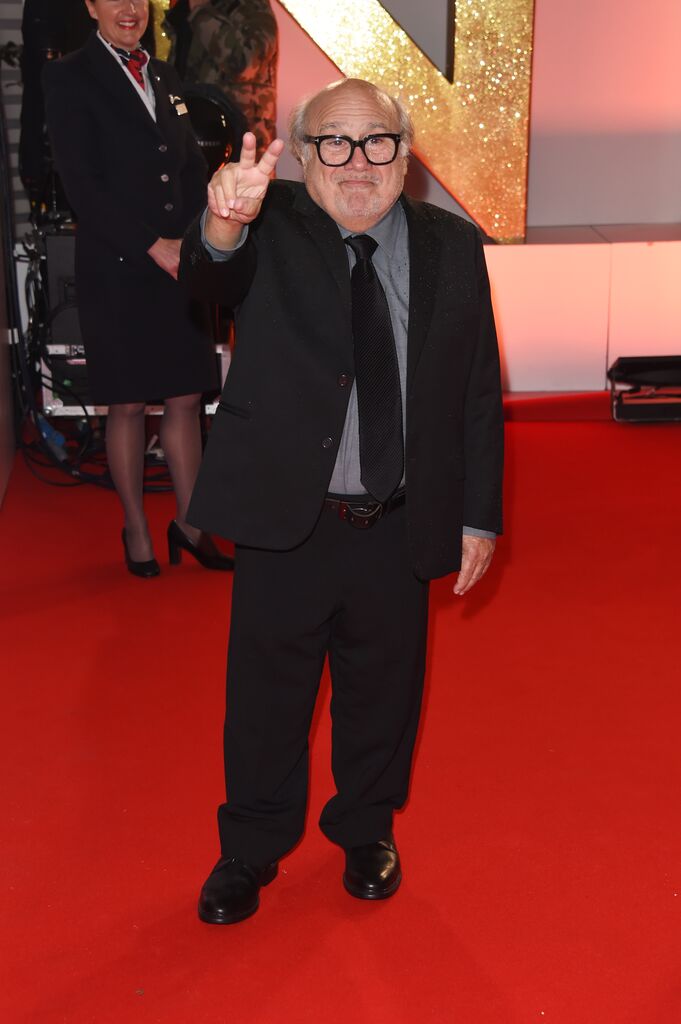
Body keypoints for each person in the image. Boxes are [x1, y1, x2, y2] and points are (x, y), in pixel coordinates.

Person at [179, 78, 504, 924]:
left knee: (384, 690)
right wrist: (221, 220)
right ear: (305, 151)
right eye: (333, 143)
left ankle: (365, 828)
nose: (356, 164)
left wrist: (477, 513)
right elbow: (210, 274)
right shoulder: (272, 223)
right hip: (288, 519)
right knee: (264, 698)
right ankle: (248, 849)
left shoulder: (450, 246)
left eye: (377, 143)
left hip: (397, 521)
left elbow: (475, 391)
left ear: (405, 155)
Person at [43, 0, 232, 576]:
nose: (130, 9)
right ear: (91, 6)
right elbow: (82, 184)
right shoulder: (69, 75)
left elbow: (187, 168)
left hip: (180, 262)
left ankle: (192, 524)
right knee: (126, 402)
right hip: (120, 261)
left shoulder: (163, 72)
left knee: (184, 396)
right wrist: (154, 245)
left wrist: (206, 234)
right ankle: (137, 529)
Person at [164, 0, 278, 158]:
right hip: (192, 136)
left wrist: (200, 11)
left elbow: (246, 62)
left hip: (238, 145)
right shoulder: (182, 8)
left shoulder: (250, 5)